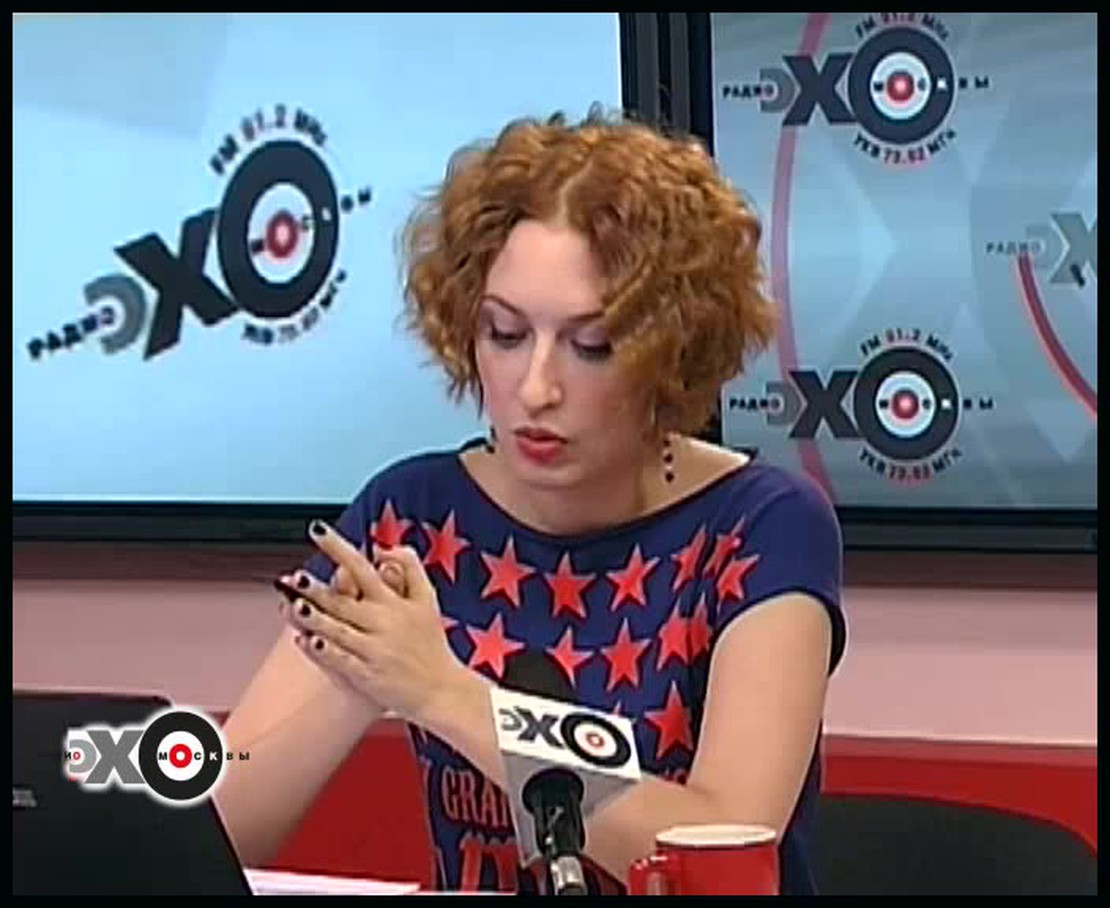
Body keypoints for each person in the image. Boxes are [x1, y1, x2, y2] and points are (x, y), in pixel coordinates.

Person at [214, 110, 847, 895]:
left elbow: (720, 858)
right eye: (506, 335)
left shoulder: (762, 526)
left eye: (591, 346)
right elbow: (218, 834)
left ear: (674, 352)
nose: (536, 388)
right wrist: (354, 684)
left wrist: (445, 695)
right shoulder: (413, 517)